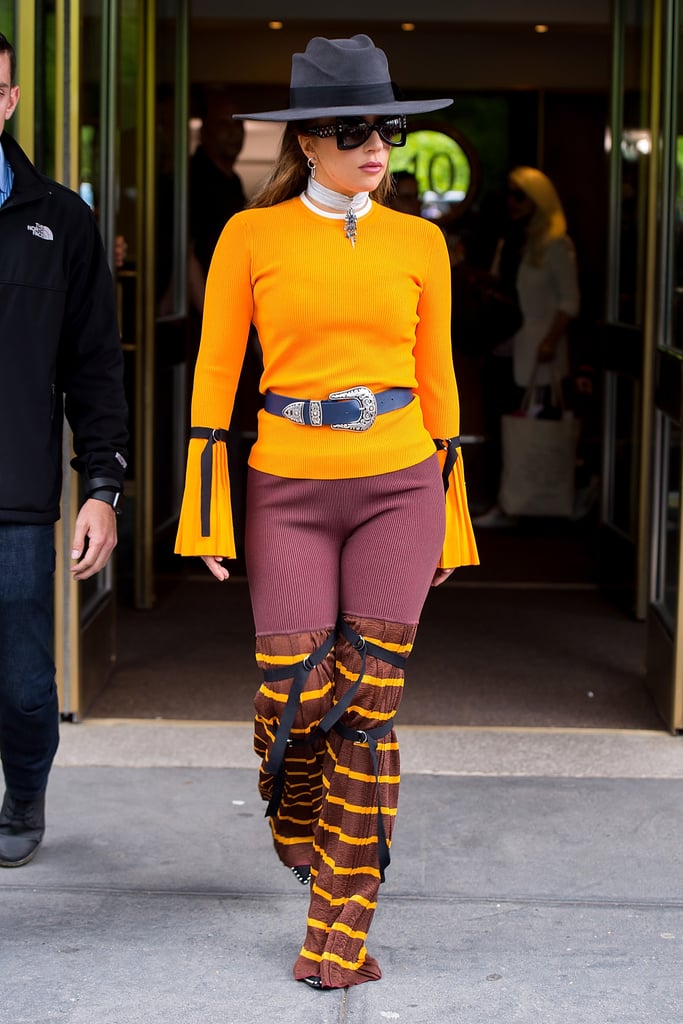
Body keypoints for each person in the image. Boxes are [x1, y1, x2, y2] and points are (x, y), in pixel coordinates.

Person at [175, 34, 478, 989]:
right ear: (307, 142)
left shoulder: (418, 240)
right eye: (355, 131)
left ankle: (333, 941)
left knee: (369, 713)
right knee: (291, 697)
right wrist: (203, 514)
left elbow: (441, 386)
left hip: (399, 486)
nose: (377, 147)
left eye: (387, 128)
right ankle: (294, 815)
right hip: (285, 485)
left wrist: (452, 515)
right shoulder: (250, 237)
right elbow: (216, 374)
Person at [0, 34, 128, 868]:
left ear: (7, 100)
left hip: (12, 496)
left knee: (19, 683)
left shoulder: (59, 218)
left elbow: (93, 365)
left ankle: (26, 795)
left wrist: (103, 487)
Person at [474, 166, 580, 527]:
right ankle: (506, 502)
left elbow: (570, 302)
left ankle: (532, 502)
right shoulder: (511, 240)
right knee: (503, 426)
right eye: (510, 194)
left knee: (533, 431)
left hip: (538, 353)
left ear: (538, 200)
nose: (512, 203)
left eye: (520, 195)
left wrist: (550, 342)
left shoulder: (555, 243)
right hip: (505, 345)